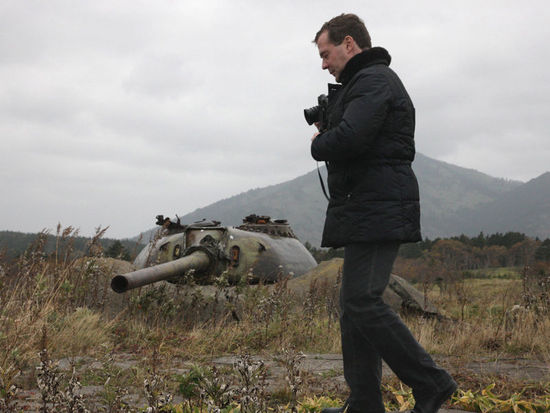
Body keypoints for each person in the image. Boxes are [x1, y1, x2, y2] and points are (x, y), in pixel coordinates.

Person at [309, 14, 457, 413]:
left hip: (377, 206)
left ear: (349, 44)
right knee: (353, 307)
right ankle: (364, 403)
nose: (323, 64)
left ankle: (432, 383)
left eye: (326, 54)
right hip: (367, 206)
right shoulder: (363, 83)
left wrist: (319, 141)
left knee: (362, 301)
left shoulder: (374, 80)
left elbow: (351, 138)